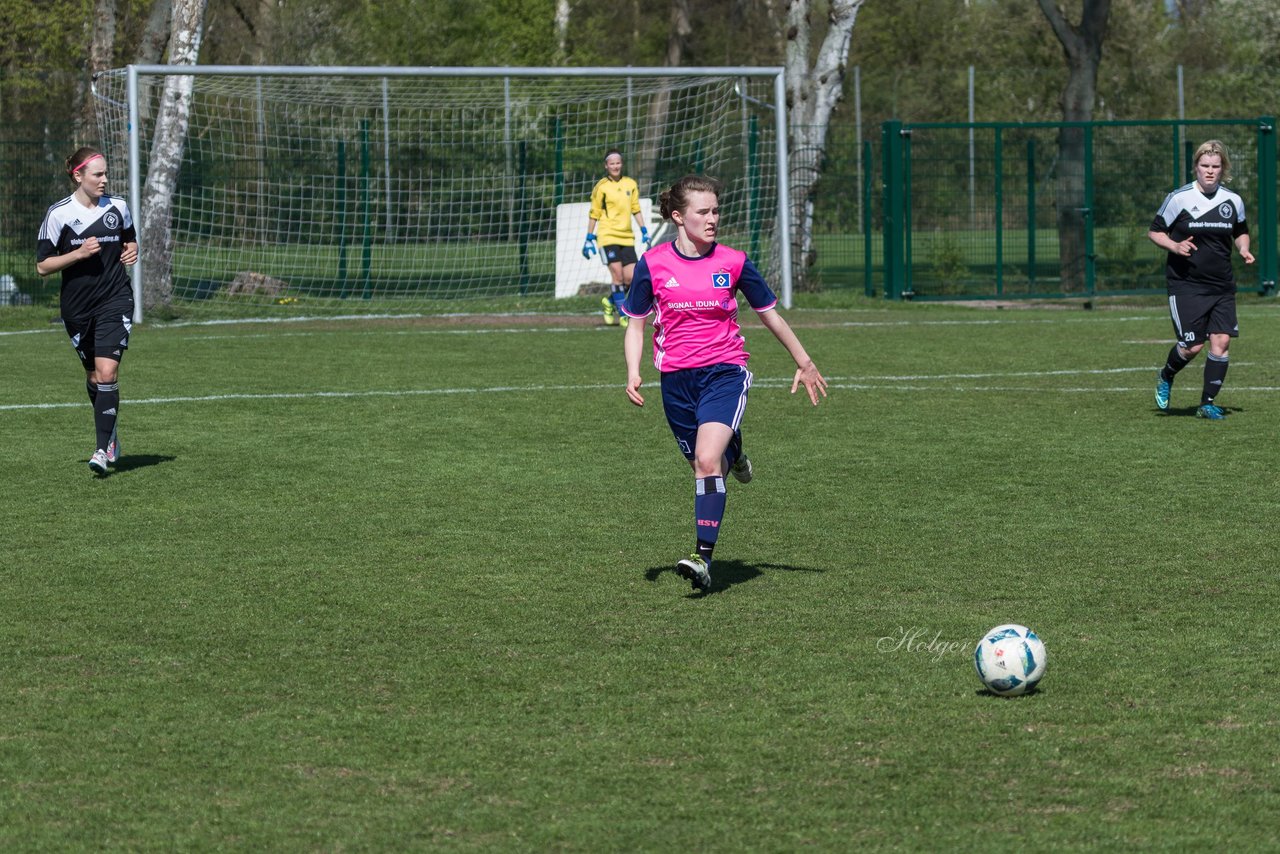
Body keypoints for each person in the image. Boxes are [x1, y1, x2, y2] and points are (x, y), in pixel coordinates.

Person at [621, 175, 827, 592]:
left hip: (724, 372)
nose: (712, 219)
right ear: (679, 216)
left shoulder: (733, 261)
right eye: (703, 212)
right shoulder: (653, 264)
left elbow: (770, 314)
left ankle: (702, 558)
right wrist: (633, 370)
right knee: (704, 463)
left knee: (707, 462)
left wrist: (804, 362)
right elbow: (636, 323)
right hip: (676, 381)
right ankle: (737, 451)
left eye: (716, 210)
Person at [36, 147, 138, 474]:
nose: (104, 180)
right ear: (78, 176)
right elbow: (42, 265)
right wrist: (77, 255)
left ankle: (101, 448)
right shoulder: (59, 214)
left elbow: (130, 239)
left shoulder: (118, 207)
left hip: (115, 299)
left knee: (107, 372)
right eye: (98, 175)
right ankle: (111, 433)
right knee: (94, 376)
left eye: (106, 173)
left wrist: (132, 249)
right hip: (77, 308)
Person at [1149, 139, 1253, 420]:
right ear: (1196, 167)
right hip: (1186, 284)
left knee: (1221, 342)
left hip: (1221, 285)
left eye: (1215, 167)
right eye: (1205, 166)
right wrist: (1174, 246)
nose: (1210, 171)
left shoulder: (1233, 200)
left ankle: (1207, 403)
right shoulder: (1179, 198)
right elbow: (1155, 231)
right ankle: (1166, 375)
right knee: (1192, 346)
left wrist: (1243, 248)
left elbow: (1241, 230)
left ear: (1223, 169)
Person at [583, 149, 651, 327]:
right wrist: (589, 237)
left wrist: (644, 230)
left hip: (627, 238)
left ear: (621, 164)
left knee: (631, 278)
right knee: (617, 275)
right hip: (607, 236)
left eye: (618, 162)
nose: (615, 166)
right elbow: (595, 213)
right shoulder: (602, 187)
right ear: (606, 166)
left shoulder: (630, 184)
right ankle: (623, 315)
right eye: (611, 163)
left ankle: (609, 302)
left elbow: (635, 208)